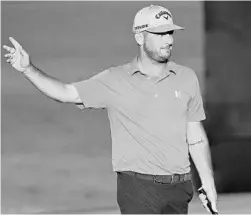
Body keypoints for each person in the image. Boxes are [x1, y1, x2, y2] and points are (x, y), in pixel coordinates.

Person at [3, 5, 217, 214]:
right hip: (138, 188)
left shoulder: (187, 78)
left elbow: (196, 136)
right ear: (140, 37)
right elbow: (66, 93)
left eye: (170, 32)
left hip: (179, 188)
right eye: (160, 33)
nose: (169, 40)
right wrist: (28, 69)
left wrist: (208, 183)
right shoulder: (115, 80)